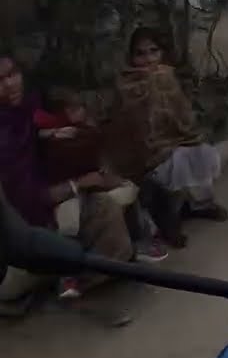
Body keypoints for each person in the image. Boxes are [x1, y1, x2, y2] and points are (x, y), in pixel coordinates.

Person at [0, 51, 135, 305]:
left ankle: (79, 278)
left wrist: (53, 136)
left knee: (105, 207)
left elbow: (41, 139)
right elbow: (23, 198)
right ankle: (64, 277)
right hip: (16, 237)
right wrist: (79, 184)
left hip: (47, 211)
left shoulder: (27, 111)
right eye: (0, 80)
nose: (10, 84)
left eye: (12, 74)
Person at [110, 28, 227, 249]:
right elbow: (133, 133)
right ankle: (168, 221)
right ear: (131, 58)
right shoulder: (125, 85)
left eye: (154, 51)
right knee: (177, 159)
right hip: (144, 153)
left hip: (174, 142)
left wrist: (185, 134)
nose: (148, 60)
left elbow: (184, 118)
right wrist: (151, 91)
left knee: (201, 152)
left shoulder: (167, 76)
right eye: (140, 53)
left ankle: (199, 205)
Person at [35, 88, 168, 264]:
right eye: (74, 109)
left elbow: (95, 163)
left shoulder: (79, 131)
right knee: (72, 219)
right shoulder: (57, 137)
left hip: (89, 186)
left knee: (127, 189)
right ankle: (71, 273)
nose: (81, 111)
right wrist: (81, 183)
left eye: (80, 107)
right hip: (66, 196)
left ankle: (140, 241)